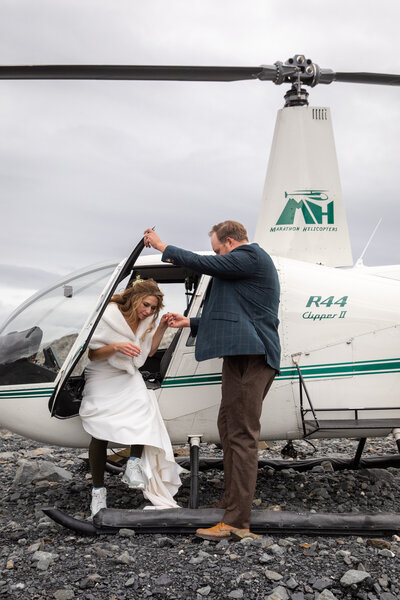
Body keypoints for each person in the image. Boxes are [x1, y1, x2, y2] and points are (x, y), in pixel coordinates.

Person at [144, 221, 280, 540]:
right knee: (228, 429)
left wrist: (164, 247)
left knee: (242, 435)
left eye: (218, 249)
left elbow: (206, 263)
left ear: (230, 242)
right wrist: (189, 322)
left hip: (254, 356)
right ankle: (232, 503)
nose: (217, 255)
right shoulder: (242, 266)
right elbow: (236, 315)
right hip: (240, 356)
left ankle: (237, 523)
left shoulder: (251, 257)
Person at [79, 278, 184, 517]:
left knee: (144, 406)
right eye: (145, 305)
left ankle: (133, 463)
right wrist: (116, 347)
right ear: (136, 299)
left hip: (127, 372)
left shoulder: (146, 320)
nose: (148, 311)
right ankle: (98, 492)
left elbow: (148, 352)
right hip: (103, 373)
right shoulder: (109, 314)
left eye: (153, 308)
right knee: (99, 429)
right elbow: (93, 354)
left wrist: (161, 328)